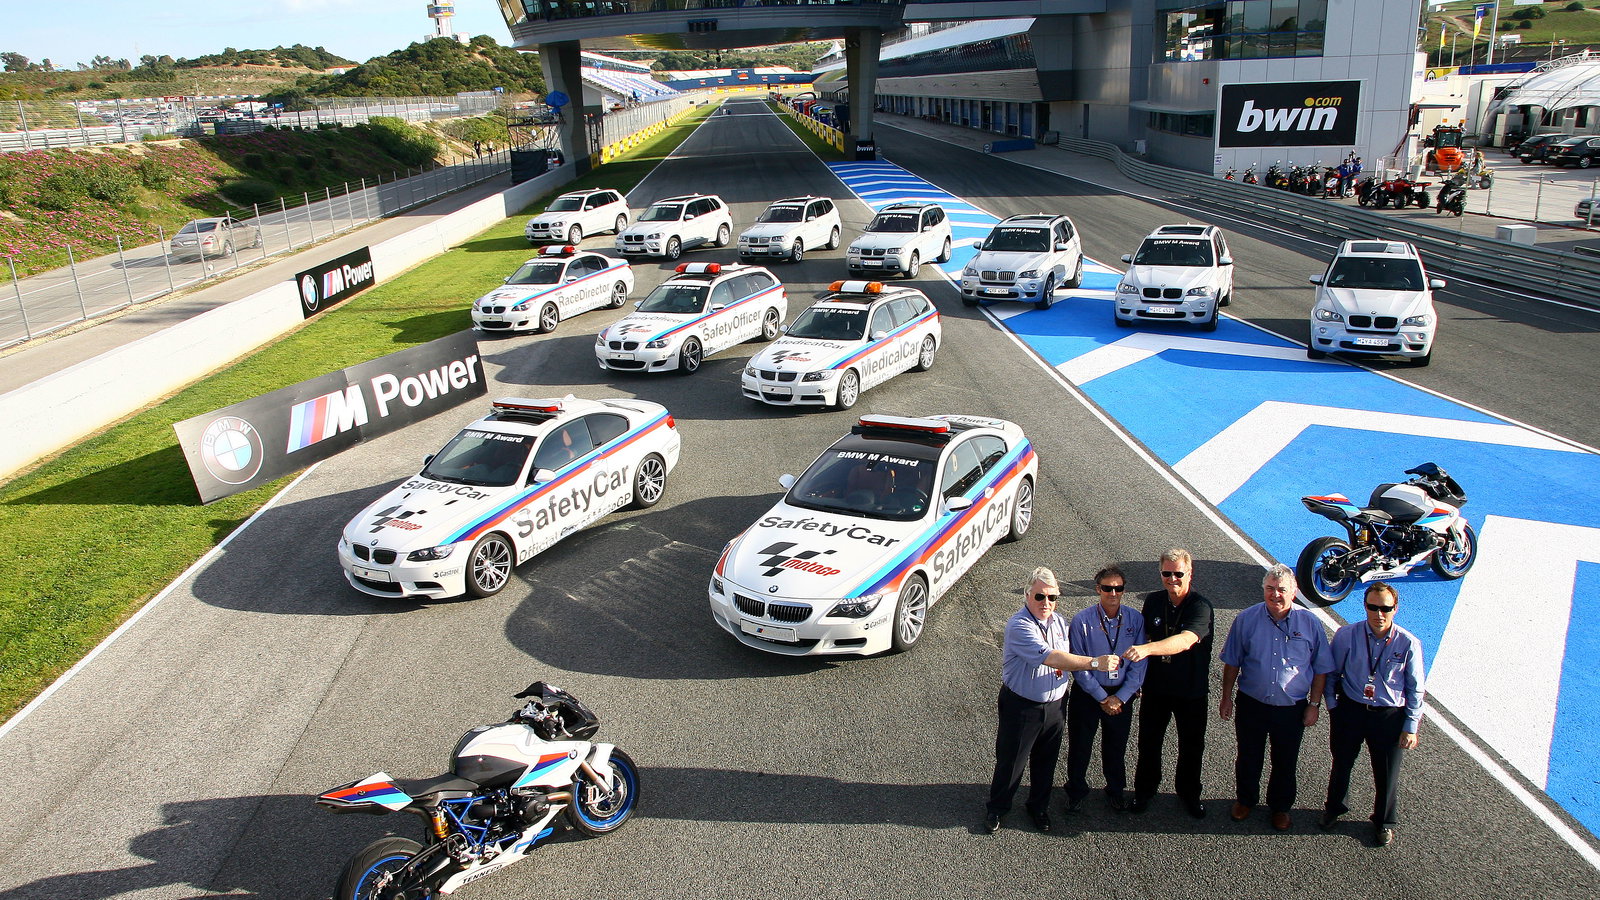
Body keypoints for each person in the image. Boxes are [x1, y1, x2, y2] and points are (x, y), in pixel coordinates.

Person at [984, 567, 1122, 835]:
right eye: (1039, 597)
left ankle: (1038, 807)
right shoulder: (1019, 625)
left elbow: (1073, 652)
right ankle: (998, 807)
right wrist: (1096, 663)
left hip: (1056, 704)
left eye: (1052, 597)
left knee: (1046, 760)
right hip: (1023, 705)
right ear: (1027, 595)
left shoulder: (1059, 622)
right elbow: (1053, 658)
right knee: (1012, 761)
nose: (1046, 603)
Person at [1219, 564, 1334, 831]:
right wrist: (1226, 697)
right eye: (1270, 589)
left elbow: (1321, 668)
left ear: (1293, 592)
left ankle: (1280, 808)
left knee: (1285, 760)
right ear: (1263, 590)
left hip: (1291, 708)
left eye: (1282, 589)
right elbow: (1232, 662)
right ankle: (1246, 800)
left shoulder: (1310, 623)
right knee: (1248, 756)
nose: (1275, 595)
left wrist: (1314, 705)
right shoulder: (1246, 619)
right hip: (1251, 703)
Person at [1320, 583, 1425, 847]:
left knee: (1387, 772)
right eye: (1373, 607)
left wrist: (1411, 726)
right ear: (1365, 606)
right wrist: (1333, 707)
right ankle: (1334, 808)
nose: (1379, 614)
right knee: (1342, 762)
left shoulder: (1409, 643)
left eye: (1385, 608)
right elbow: (1332, 674)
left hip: (1389, 716)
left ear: (1395, 609)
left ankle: (1383, 822)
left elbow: (1415, 688)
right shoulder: (1346, 635)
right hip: (1351, 710)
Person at [1122, 548, 1214, 818]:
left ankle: (1189, 793)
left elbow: (1185, 640)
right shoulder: (1153, 602)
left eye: (1178, 573)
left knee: (1192, 745)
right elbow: (1143, 634)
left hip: (1191, 691)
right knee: (1149, 742)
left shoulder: (1201, 606)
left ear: (1190, 573)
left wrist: (1148, 650)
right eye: (1166, 573)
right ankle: (1144, 790)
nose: (1172, 579)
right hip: (1156, 689)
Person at [1063, 565, 1147, 812]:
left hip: (1122, 694)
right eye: (1108, 588)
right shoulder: (1082, 621)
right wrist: (1102, 697)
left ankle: (1115, 790)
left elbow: (1140, 663)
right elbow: (1078, 664)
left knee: (1116, 746)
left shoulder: (1136, 619)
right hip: (1089, 695)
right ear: (1098, 589)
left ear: (1123, 590)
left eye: (1118, 588)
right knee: (1080, 745)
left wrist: (1120, 697)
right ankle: (1076, 790)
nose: (1113, 593)